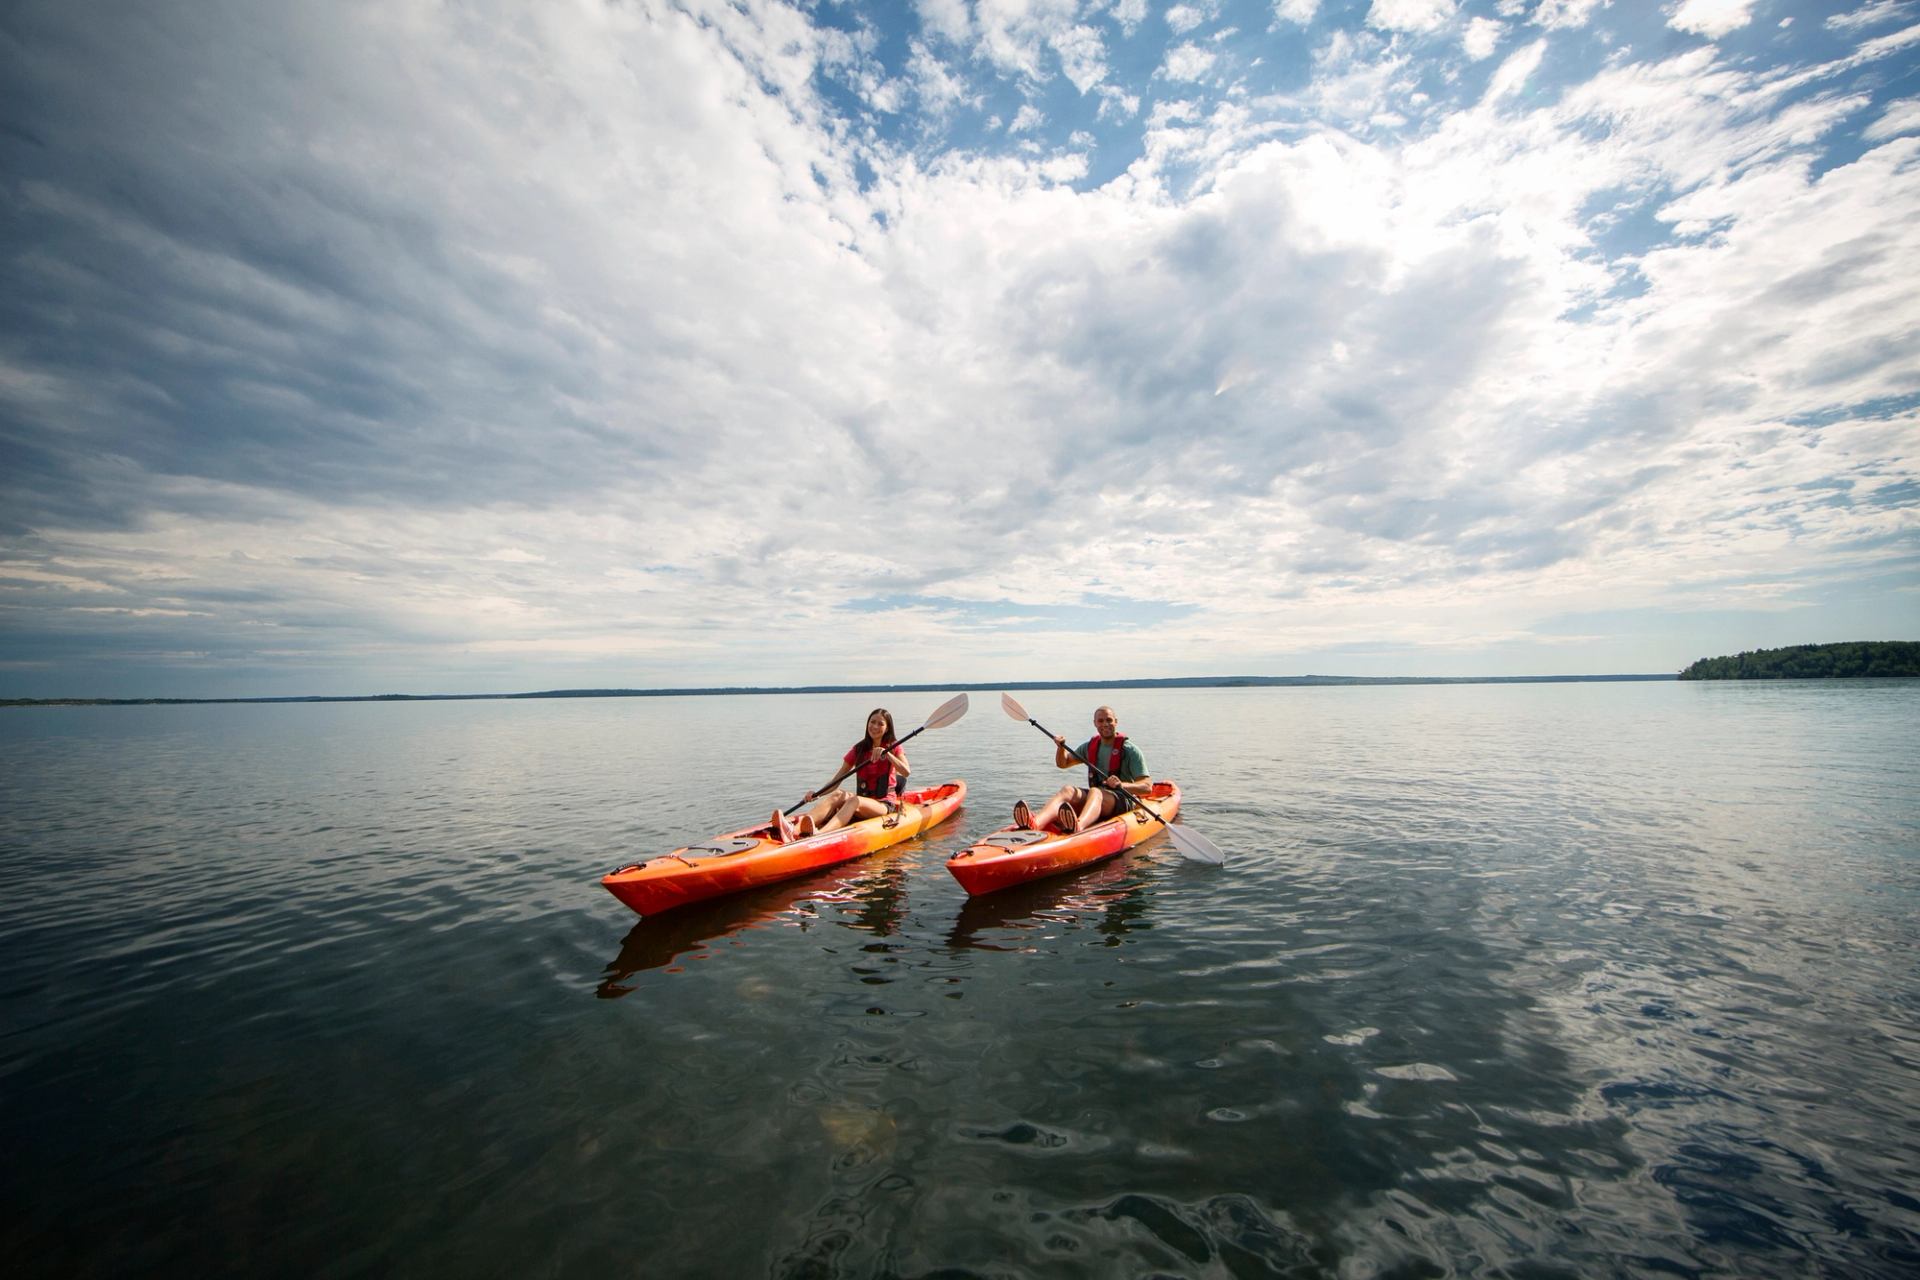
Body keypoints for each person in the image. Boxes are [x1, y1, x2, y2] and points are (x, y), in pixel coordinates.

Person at [771, 708, 911, 841]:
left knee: (854, 800)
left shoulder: (894, 746)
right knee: (838, 794)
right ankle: (793, 830)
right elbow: (838, 778)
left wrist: (887, 755)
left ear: (887, 728)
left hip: (884, 804)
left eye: (880, 723)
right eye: (872, 722)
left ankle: (819, 834)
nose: (874, 726)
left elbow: (906, 771)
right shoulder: (859, 749)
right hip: (864, 801)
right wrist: (816, 794)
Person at [1013, 704, 1150, 834]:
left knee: (1096, 792)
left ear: (1116, 722)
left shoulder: (1130, 750)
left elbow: (1147, 787)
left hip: (1123, 800)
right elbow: (1063, 764)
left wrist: (1121, 784)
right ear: (1095, 723)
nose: (1105, 724)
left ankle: (1079, 826)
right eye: (1100, 721)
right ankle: (1035, 823)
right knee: (1068, 790)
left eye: (1109, 720)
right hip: (1097, 797)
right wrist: (1060, 748)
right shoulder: (1090, 746)